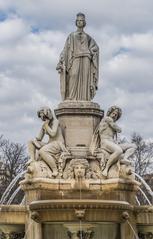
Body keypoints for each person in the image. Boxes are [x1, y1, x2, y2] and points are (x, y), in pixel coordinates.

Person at [56, 13, 99, 101]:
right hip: (75, 58)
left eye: (82, 21)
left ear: (84, 23)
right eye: (78, 21)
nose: (80, 22)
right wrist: (61, 60)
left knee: (85, 78)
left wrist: (91, 52)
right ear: (76, 22)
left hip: (86, 58)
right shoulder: (71, 36)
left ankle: (85, 98)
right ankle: (71, 96)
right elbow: (66, 49)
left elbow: (96, 47)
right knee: (73, 75)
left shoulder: (88, 37)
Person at [90, 106, 136, 177]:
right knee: (119, 151)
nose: (114, 115)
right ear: (109, 113)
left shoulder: (111, 121)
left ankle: (125, 158)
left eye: (116, 115)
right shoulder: (107, 119)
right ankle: (106, 169)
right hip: (105, 142)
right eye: (113, 113)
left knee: (133, 146)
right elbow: (119, 129)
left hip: (112, 142)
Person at [28, 107, 68, 177]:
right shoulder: (45, 124)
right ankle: (32, 160)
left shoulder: (55, 121)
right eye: (41, 117)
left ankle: (55, 170)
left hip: (58, 143)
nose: (43, 119)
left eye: (43, 116)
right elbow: (39, 138)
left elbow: (53, 133)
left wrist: (46, 126)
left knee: (42, 151)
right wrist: (36, 140)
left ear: (48, 114)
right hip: (50, 143)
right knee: (31, 141)